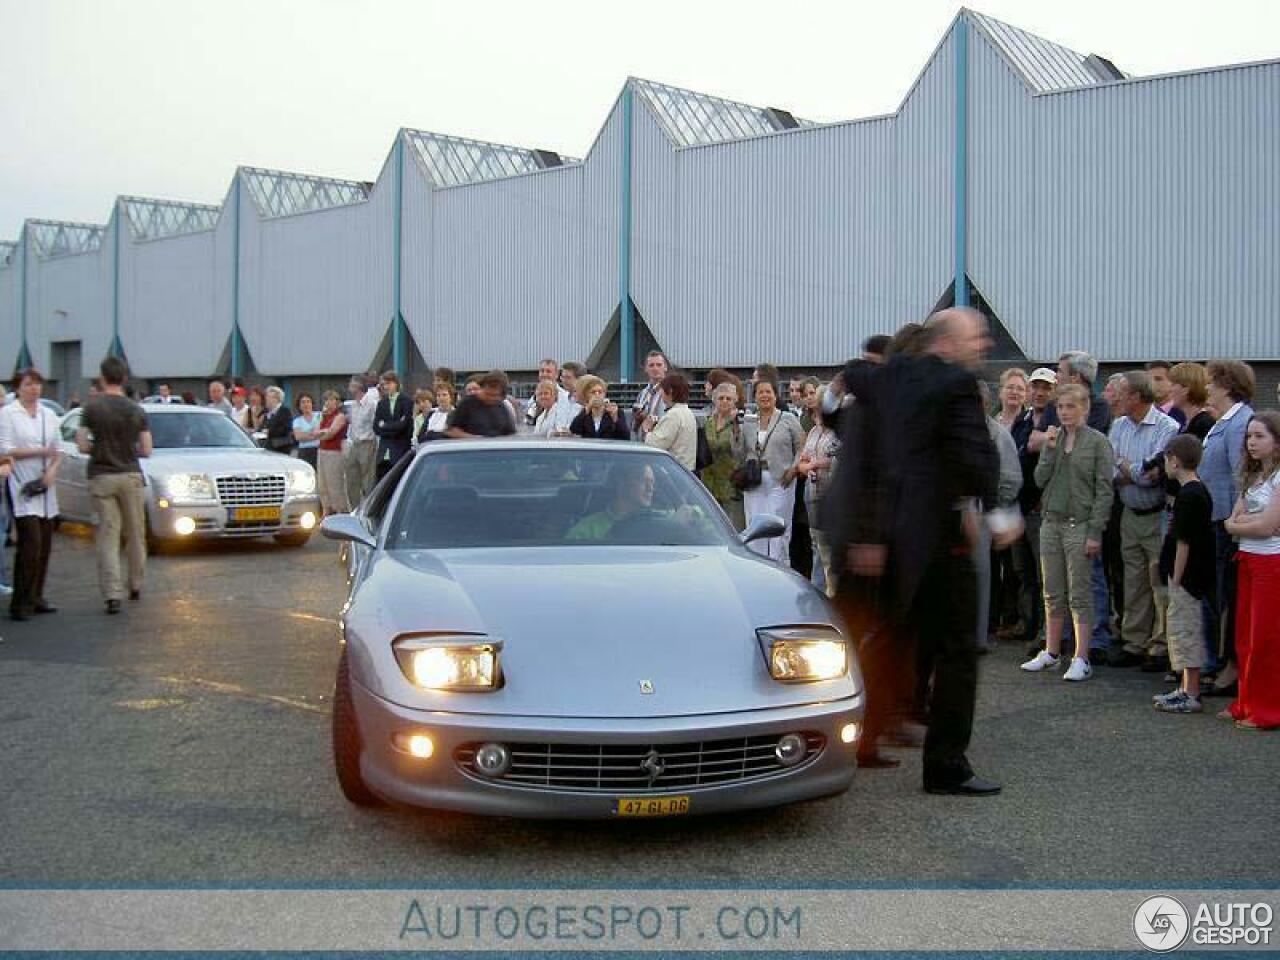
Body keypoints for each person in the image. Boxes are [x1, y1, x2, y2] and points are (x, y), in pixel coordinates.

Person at [835, 308, 1017, 795]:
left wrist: (868, 535)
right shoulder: (956, 385)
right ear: (948, 342)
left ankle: (863, 738)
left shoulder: (883, 376)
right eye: (977, 337)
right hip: (941, 539)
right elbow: (974, 458)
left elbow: (851, 381)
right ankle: (946, 765)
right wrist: (994, 513)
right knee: (958, 651)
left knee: (893, 640)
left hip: (891, 539)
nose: (983, 345)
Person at [1020, 385, 1113, 681]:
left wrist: (1095, 531)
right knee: (1052, 591)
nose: (1065, 412)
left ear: (1084, 408)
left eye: (1071, 406)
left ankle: (1082, 656)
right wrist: (1047, 450)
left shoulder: (1098, 442)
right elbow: (1039, 478)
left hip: (1080, 523)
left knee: (1080, 593)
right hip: (1051, 520)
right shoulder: (1055, 439)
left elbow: (1104, 490)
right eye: (1061, 407)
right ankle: (1051, 651)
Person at [1108, 370, 1180, 672]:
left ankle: (1161, 645)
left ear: (1136, 397)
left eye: (1121, 393)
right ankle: (1134, 642)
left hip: (1156, 517)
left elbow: (1152, 476)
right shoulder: (1118, 426)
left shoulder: (1167, 427)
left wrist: (1127, 469)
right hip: (1129, 514)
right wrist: (1131, 471)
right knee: (1134, 581)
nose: (1115, 398)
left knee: (1158, 582)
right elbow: (1110, 472)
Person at [77, 356, 152, 615]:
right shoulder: (136, 410)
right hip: (130, 474)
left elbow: (82, 444)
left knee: (108, 536)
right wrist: (130, 451)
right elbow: (147, 448)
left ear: (102, 378)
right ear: (124, 379)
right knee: (135, 533)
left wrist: (98, 448)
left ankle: (112, 594)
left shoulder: (91, 408)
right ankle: (136, 583)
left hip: (101, 475)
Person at [1220, 412, 1280, 729]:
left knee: (1265, 638)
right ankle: (1246, 702)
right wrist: (1244, 525)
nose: (1252, 443)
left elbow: (1269, 527)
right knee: (1244, 636)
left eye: (1260, 436)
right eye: (1249, 436)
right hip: (1247, 560)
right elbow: (1232, 521)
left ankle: (1267, 710)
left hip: (1271, 564)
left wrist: (1243, 524)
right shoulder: (1253, 477)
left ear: (1277, 442)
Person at [1199, 360, 1255, 697]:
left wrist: (1237, 525)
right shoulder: (1222, 422)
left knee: (1229, 598)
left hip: (1228, 524)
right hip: (1216, 520)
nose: (1206, 387)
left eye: (1211, 382)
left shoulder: (1239, 423)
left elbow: (1241, 477)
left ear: (1226, 384)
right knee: (1218, 595)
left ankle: (1232, 667)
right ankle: (1223, 661)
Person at [1152, 434, 1215, 714]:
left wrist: (1176, 579)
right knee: (1181, 631)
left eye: (1166, 459)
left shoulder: (1190, 495)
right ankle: (1185, 687)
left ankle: (1192, 692)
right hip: (1187, 576)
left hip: (1188, 578)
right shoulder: (1193, 491)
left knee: (1187, 631)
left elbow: (1184, 542)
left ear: (1174, 461)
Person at [0, 369, 63, 621]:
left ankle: (37, 594)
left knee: (45, 544)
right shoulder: (8, 414)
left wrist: (51, 473)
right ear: (18, 388)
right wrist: (39, 451)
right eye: (28, 385)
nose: (33, 389)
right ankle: (21, 600)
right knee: (30, 544)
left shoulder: (48, 415)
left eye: (37, 384)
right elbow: (5, 449)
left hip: (46, 487)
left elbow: (57, 450)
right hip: (21, 485)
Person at [1011, 368, 1060, 657]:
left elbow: (1042, 446)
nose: (1040, 392)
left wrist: (1039, 441)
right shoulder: (1025, 419)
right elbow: (1023, 447)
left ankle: (1047, 634)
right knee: (1023, 572)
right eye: (1036, 387)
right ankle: (1029, 626)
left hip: (1042, 508)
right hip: (1020, 505)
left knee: (1046, 577)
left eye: (1046, 388)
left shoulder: (1056, 417)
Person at [742, 378, 805, 563]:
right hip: (754, 479)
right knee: (755, 526)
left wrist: (794, 469)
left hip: (781, 480)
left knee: (778, 527)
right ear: (754, 396)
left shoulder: (788, 419)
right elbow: (740, 451)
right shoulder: (749, 420)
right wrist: (736, 434)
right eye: (760, 392)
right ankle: (757, 567)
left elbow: (802, 445)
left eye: (768, 391)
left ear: (775, 395)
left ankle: (780, 568)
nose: (764, 396)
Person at [795, 388, 840, 594]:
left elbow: (840, 459)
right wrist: (806, 466)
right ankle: (818, 591)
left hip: (831, 494)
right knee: (816, 545)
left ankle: (830, 594)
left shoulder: (838, 433)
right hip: (811, 493)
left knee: (828, 548)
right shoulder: (813, 432)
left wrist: (818, 463)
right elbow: (802, 460)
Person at [566, 460, 655, 541]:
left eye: (652, 482)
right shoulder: (586, 530)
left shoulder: (661, 521)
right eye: (643, 481)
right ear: (621, 483)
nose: (650, 488)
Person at [700, 382, 747, 530]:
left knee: (733, 529)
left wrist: (735, 425)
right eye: (721, 398)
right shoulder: (708, 422)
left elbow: (743, 451)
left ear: (735, 400)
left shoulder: (741, 422)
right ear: (714, 400)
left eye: (728, 398)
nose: (724, 401)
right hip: (709, 482)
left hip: (732, 484)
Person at [644, 373, 698, 470]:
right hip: (687, 470)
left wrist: (647, 430)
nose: (660, 393)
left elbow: (655, 446)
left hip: (673, 471)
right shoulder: (688, 413)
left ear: (670, 391)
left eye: (662, 389)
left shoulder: (673, 415)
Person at [447, 370, 518, 439]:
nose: (491, 398)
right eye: (487, 394)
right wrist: (477, 439)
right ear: (482, 387)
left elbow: (511, 433)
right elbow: (451, 431)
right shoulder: (467, 403)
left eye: (495, 396)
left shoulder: (502, 407)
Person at [344, 375, 378, 506]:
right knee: (351, 478)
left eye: (352, 384)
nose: (349, 386)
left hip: (367, 443)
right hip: (354, 443)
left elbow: (374, 425)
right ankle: (354, 507)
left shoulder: (371, 404)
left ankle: (369, 507)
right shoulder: (353, 406)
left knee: (368, 479)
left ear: (358, 386)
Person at [1058, 351, 1112, 433]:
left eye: (1060, 371)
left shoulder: (1099, 407)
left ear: (1075, 378)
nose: (1056, 375)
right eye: (1060, 407)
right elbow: (1033, 440)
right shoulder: (1053, 403)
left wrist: (1052, 434)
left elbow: (1086, 438)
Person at [373, 371, 413, 480]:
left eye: (388, 383)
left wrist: (385, 426)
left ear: (396, 383)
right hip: (383, 453)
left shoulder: (406, 401)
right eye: (384, 384)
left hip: (399, 450)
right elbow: (376, 427)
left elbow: (404, 426)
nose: (386, 387)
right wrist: (394, 425)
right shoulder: (382, 403)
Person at [314, 390, 349, 515]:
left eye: (331, 400)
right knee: (322, 483)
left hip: (334, 452)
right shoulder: (323, 416)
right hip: (322, 451)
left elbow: (331, 433)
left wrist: (322, 434)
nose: (328, 403)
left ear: (337, 402)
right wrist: (323, 433)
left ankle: (340, 510)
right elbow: (316, 432)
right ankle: (326, 509)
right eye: (326, 400)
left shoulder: (340, 416)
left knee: (334, 482)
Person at [569, 376, 629, 441]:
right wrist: (588, 408)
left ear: (604, 394)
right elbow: (574, 430)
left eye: (600, 392)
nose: (597, 395)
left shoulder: (616, 411)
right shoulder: (585, 413)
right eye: (593, 392)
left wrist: (615, 418)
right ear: (586, 395)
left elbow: (625, 436)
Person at [1168, 362, 1215, 440]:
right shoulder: (1188, 422)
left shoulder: (1203, 424)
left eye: (1173, 384)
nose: (1170, 390)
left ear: (1186, 389)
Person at [631, 351, 668, 440]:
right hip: (642, 445)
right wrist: (637, 419)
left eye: (659, 365)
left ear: (665, 367)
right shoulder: (642, 394)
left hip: (661, 445)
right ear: (646, 369)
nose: (655, 368)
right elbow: (634, 427)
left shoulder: (670, 392)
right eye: (651, 365)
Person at [1146, 361, 1184, 427]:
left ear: (1172, 382)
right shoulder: (1144, 413)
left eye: (1158, 379)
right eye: (1149, 380)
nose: (1152, 383)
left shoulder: (1183, 413)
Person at [291, 393, 322, 468]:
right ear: (299, 406)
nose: (306, 404)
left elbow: (321, 433)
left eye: (308, 401)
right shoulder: (297, 421)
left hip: (319, 449)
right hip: (304, 451)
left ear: (312, 404)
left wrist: (305, 434)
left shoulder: (319, 415)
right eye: (303, 402)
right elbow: (298, 437)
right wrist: (315, 434)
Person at [261, 386, 294, 454]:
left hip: (281, 448)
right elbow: (263, 427)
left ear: (277, 399)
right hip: (268, 448)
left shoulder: (285, 411)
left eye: (269, 397)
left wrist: (269, 432)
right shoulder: (267, 413)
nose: (266, 399)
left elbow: (286, 428)